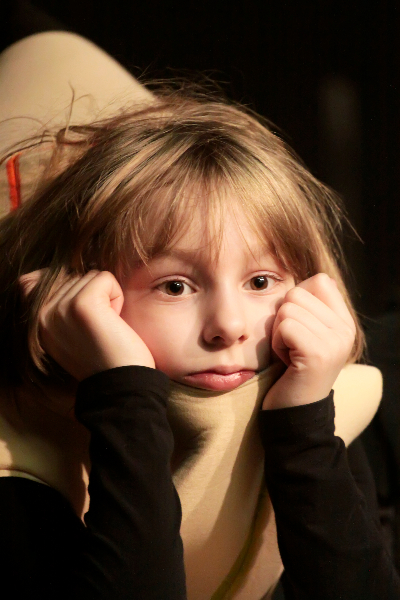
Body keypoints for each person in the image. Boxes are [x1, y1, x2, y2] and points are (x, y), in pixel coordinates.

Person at [0, 32, 396, 600]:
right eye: (175, 286)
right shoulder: (20, 466)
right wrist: (123, 396)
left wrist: (306, 432)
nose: (229, 326)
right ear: (79, 295)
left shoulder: (314, 406)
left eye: (261, 281)